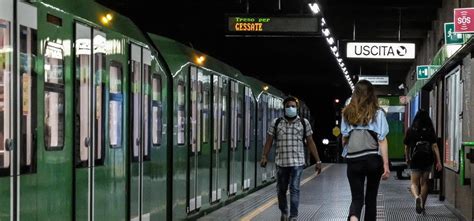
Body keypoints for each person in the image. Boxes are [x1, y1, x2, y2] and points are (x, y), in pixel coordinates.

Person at [260, 96, 322, 221]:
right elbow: (269, 141)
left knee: (295, 188)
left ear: (297, 108)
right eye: (288, 106)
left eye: (293, 106)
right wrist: (264, 156)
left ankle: (293, 216)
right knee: (281, 190)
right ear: (284, 108)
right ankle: (284, 212)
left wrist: (318, 160)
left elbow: (310, 142)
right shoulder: (276, 122)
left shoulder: (304, 123)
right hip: (281, 162)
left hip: (297, 163)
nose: (290, 108)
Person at [341, 80, 390, 221]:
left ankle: (354, 218)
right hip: (373, 160)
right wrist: (385, 165)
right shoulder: (378, 113)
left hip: (354, 159)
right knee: (371, 198)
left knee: (357, 197)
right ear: (371, 94)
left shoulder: (347, 113)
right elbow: (382, 140)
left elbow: (344, 138)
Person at [403, 109, 442, 215]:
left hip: (415, 158)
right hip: (427, 158)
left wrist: (407, 158)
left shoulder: (411, 130)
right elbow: (434, 146)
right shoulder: (430, 130)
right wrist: (439, 161)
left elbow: (406, 147)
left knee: (414, 183)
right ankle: (422, 206)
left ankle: (416, 197)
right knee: (424, 183)